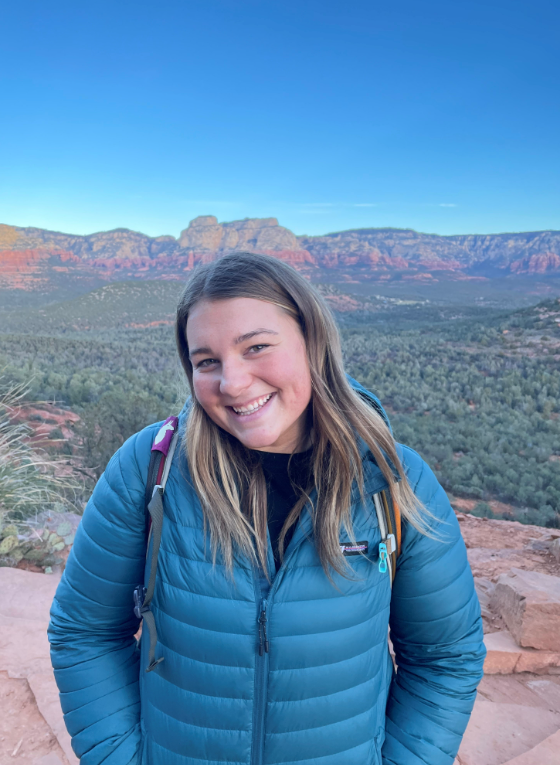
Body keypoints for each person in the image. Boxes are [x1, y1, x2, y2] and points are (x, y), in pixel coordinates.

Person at [48, 251, 486, 765]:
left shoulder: (390, 481)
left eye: (256, 347)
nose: (231, 383)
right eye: (206, 361)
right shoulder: (150, 470)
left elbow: (445, 657)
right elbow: (85, 633)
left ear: (312, 343)